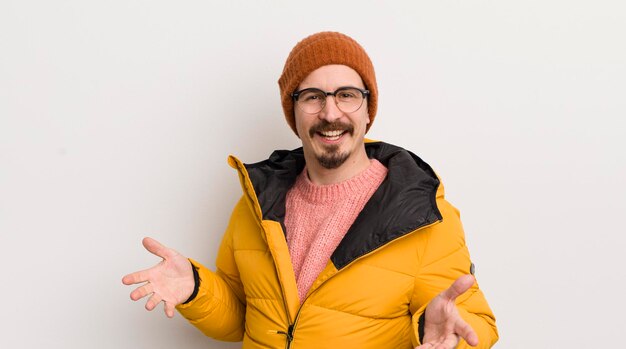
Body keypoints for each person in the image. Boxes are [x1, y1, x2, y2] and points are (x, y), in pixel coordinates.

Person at [122, 31, 498, 349]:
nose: (331, 113)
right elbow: (240, 317)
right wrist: (197, 289)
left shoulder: (422, 214)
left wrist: (438, 331)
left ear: (368, 109)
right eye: (313, 96)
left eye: (347, 95)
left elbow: (471, 320)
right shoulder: (256, 204)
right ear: (294, 112)